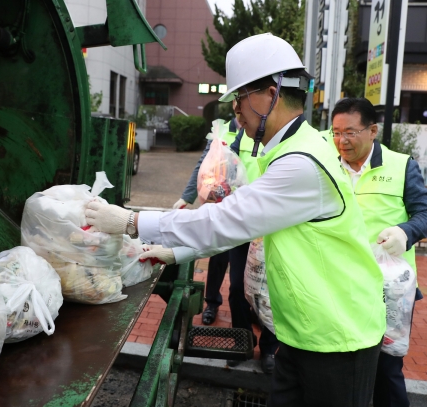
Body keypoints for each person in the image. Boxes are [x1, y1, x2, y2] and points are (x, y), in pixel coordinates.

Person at [85, 33, 385, 407]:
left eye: (239, 98)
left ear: (270, 93)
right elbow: (241, 225)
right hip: (304, 331)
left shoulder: (302, 163)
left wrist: (132, 221)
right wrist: (174, 253)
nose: (236, 111)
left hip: (338, 337)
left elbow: (225, 220)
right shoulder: (287, 150)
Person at [331, 97, 427, 407]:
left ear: (373, 131)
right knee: (339, 365)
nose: (342, 141)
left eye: (350, 132)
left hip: (388, 291)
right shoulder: (326, 165)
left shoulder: (401, 166)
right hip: (338, 284)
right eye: (335, 132)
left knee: (386, 369)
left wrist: (406, 231)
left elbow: (424, 213)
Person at [174, 109, 279, 374]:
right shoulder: (239, 136)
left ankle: (269, 349)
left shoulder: (283, 136)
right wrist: (197, 195)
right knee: (236, 288)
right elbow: (217, 169)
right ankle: (242, 340)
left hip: (273, 225)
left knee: (271, 290)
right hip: (241, 220)